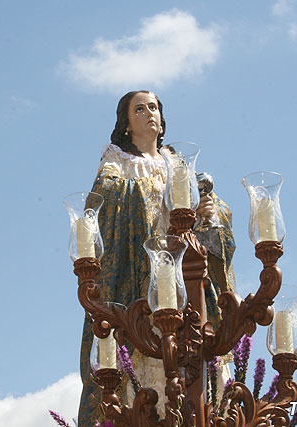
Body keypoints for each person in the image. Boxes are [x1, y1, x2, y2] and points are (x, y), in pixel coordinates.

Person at [77, 91, 236, 426]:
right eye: (140, 109)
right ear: (126, 122)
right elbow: (98, 204)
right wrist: (135, 194)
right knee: (147, 359)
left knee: (198, 352)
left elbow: (208, 208)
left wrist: (210, 211)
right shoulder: (117, 161)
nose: (149, 113)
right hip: (141, 277)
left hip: (190, 276)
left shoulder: (180, 164)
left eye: (154, 107)